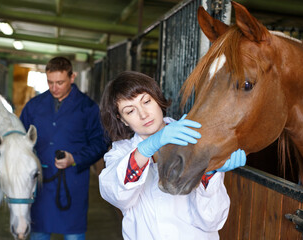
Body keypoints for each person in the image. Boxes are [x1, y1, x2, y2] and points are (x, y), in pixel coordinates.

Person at [98, 71, 246, 240]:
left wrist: (210, 173)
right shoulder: (120, 153)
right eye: (130, 111)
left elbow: (212, 220)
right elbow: (116, 195)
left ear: (157, 99)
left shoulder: (195, 140)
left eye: (146, 101)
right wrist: (148, 147)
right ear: (122, 120)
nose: (143, 114)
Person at [20, 56, 108, 240]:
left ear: (72, 77)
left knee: (74, 234)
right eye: (50, 82)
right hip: (40, 183)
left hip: (71, 183)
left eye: (60, 82)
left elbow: (100, 143)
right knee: (38, 233)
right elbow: (20, 140)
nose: (54, 88)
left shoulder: (88, 107)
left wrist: (75, 158)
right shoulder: (34, 106)